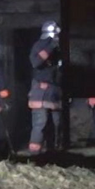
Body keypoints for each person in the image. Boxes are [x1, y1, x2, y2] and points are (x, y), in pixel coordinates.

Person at [28, 20, 62, 154]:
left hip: (55, 91)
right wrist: (51, 46)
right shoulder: (40, 45)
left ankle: (53, 152)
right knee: (40, 123)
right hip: (40, 91)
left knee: (56, 123)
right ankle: (34, 155)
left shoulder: (58, 50)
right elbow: (35, 62)